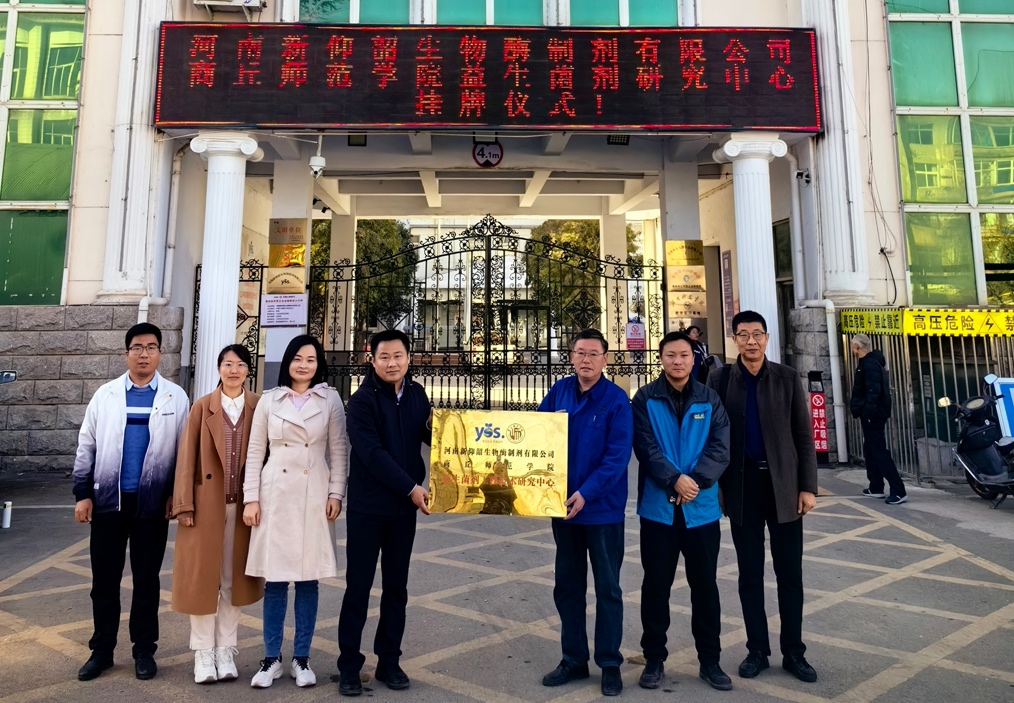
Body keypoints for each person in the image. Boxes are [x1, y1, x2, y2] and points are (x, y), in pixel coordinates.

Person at [72, 323, 190, 682]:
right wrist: (83, 494)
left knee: (147, 580)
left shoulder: (175, 397)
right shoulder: (105, 395)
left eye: (151, 347)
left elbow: (184, 454)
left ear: (160, 354)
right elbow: (87, 445)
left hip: (152, 505)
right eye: (137, 347)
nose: (144, 354)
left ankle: (144, 650)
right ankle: (102, 651)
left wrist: (175, 496)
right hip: (108, 502)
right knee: (104, 581)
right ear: (126, 354)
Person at [707, 310, 818, 684]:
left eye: (757, 334)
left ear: (767, 338)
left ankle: (794, 651)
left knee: (790, 574)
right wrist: (716, 485)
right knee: (750, 574)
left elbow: (803, 435)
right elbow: (713, 436)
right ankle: (757, 649)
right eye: (743, 334)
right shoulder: (720, 379)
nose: (751, 341)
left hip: (784, 486)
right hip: (742, 487)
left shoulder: (786, 378)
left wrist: (808, 486)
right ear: (734, 339)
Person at [242, 335, 348, 689]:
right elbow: (255, 451)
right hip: (275, 492)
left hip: (314, 491)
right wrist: (251, 498)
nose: (304, 365)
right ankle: (271, 658)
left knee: (307, 579)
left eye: (311, 359)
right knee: (274, 579)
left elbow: (339, 449)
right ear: (287, 362)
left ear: (319, 365)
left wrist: (336, 492)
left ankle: (302, 657)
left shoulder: (329, 399)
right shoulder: (270, 400)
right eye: (298, 358)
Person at [632, 331, 732, 691]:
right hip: (658, 509)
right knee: (655, 586)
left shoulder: (709, 398)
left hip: (700, 508)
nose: (678, 361)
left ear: (693, 359)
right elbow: (644, 446)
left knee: (705, 586)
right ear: (661, 359)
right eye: (671, 355)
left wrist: (696, 481)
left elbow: (720, 447)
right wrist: (673, 479)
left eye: (684, 355)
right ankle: (654, 658)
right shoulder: (645, 398)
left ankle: (710, 661)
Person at [537, 328, 634, 698]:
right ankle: (573, 659)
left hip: (602, 511)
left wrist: (586, 493)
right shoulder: (560, 391)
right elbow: (537, 435)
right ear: (571, 356)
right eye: (580, 352)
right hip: (563, 509)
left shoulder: (616, 400)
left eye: (594, 353)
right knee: (568, 587)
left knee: (608, 588)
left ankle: (609, 663)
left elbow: (617, 458)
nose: (586, 359)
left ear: (605, 359)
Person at [337, 329, 433, 697]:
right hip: (369, 508)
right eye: (384, 357)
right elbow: (372, 454)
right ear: (372, 360)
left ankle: (389, 661)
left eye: (398, 356)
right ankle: (349, 666)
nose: (392, 363)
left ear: (409, 358)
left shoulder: (417, 395)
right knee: (358, 588)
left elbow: (434, 438)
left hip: (403, 511)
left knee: (396, 588)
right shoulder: (361, 402)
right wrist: (412, 488)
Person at [171, 344, 264, 684]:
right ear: (218, 368)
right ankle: (203, 652)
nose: (233, 370)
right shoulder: (202, 407)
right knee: (202, 580)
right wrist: (183, 504)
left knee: (232, 580)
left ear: (248, 370)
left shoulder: (259, 406)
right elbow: (186, 458)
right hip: (205, 506)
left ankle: (226, 648)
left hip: (244, 508)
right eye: (227, 364)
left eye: (240, 364)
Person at [850, 334, 907, 505]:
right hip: (872, 413)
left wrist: (868, 413)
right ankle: (876, 487)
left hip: (873, 415)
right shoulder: (869, 362)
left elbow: (873, 391)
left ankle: (898, 490)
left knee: (879, 451)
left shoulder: (870, 364)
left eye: (853, 346)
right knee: (870, 449)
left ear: (857, 346)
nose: (852, 350)